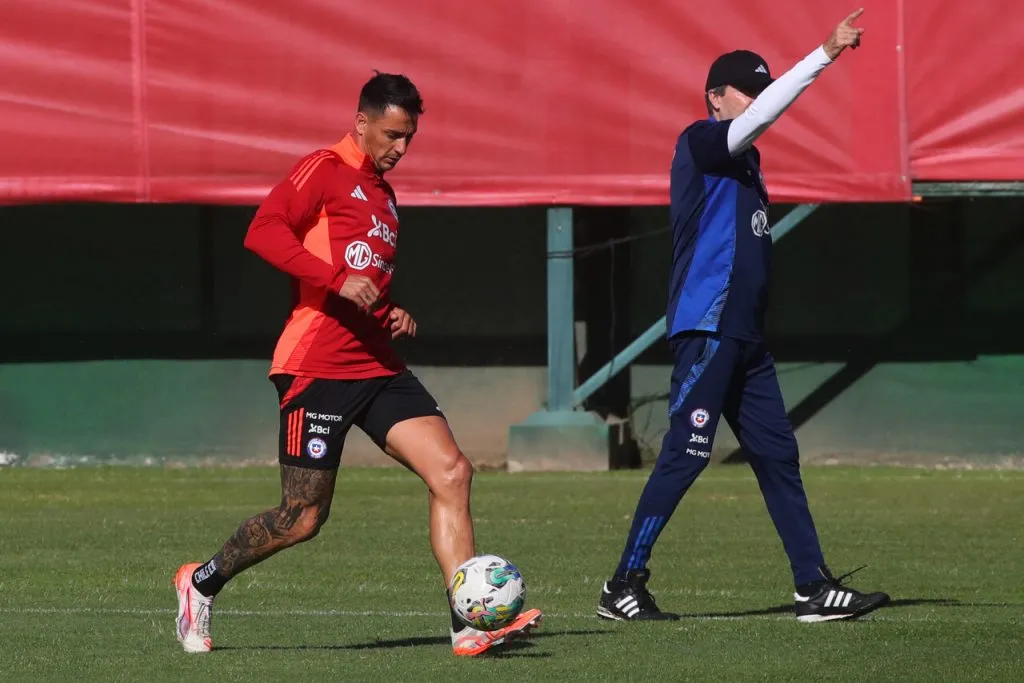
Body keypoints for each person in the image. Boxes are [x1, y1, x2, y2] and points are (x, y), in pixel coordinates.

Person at [173, 72, 541, 656]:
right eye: (392, 134)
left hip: (376, 364)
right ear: (362, 122)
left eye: (410, 138)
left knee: (453, 472)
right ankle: (200, 583)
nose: (400, 147)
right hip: (316, 365)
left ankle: (469, 623)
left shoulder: (385, 197)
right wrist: (339, 280)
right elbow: (263, 232)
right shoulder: (323, 168)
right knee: (302, 517)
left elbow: (365, 279)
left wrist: (392, 312)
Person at [597, 9, 891, 623]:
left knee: (778, 454)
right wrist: (824, 54)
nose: (757, 101)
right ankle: (622, 585)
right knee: (687, 452)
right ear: (715, 96)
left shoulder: (748, 164)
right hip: (708, 328)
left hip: (745, 338)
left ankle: (812, 587)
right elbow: (758, 119)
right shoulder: (702, 140)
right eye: (746, 91)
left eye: (762, 88)